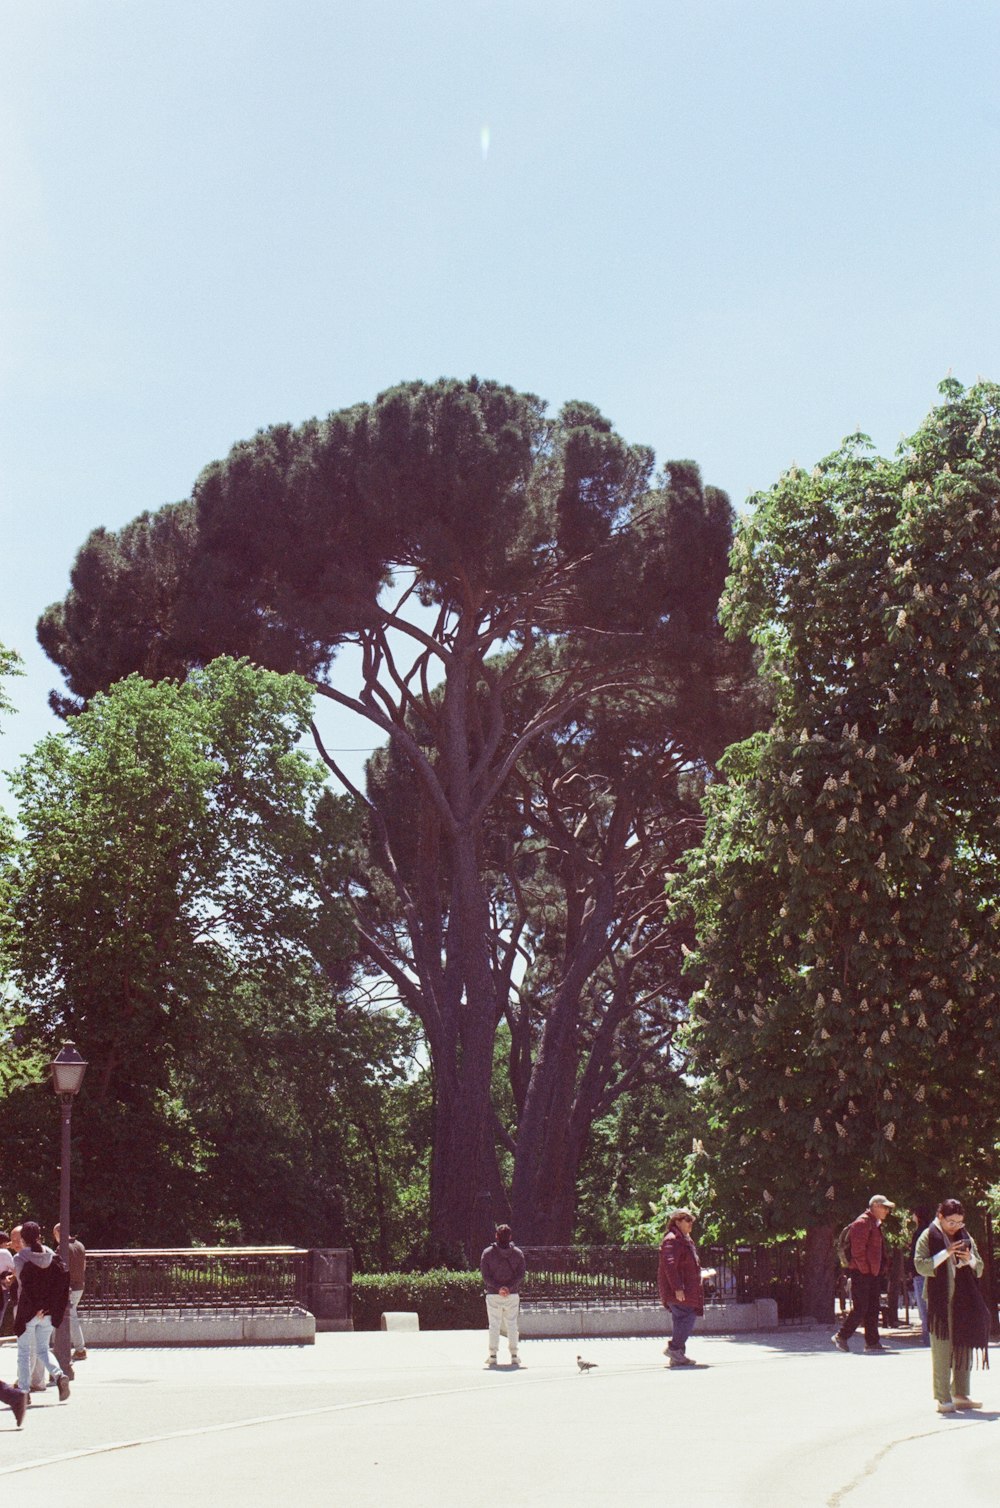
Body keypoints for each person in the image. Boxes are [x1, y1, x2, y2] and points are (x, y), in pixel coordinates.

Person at [914, 1198, 990, 1415]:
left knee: (964, 1343)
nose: (955, 1227)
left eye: (959, 1222)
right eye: (951, 1222)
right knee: (942, 1346)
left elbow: (980, 1266)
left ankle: (961, 1393)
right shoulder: (929, 1235)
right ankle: (943, 1397)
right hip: (940, 1300)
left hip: (964, 1298)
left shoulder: (965, 1236)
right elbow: (920, 1265)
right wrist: (945, 1253)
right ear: (940, 1217)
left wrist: (969, 1259)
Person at [13, 1221, 71, 1404]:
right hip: (47, 1311)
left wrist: (34, 1307)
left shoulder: (20, 1258)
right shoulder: (51, 1256)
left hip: (28, 1310)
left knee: (23, 1352)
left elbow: (25, 1285)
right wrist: (47, 1307)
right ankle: (59, 1375)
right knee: (43, 1349)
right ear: (39, 1236)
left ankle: (23, 1391)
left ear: (23, 1239)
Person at [832, 1194, 894, 1354]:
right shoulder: (862, 1223)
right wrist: (866, 1270)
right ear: (876, 1206)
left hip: (871, 1273)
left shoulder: (874, 1223)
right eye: (885, 1207)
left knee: (873, 1307)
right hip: (862, 1273)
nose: (887, 1211)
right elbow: (857, 1251)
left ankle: (872, 1342)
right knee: (861, 1307)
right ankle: (841, 1336)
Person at [658, 1207, 709, 1368]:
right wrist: (677, 1288)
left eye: (691, 1221)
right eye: (687, 1220)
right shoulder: (672, 1239)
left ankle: (678, 1356)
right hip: (680, 1290)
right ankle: (674, 1349)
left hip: (685, 1288)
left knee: (681, 1320)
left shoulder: (684, 1239)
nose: (690, 1224)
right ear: (677, 1221)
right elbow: (670, 1266)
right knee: (688, 1316)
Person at [480, 1223, 525, 1368]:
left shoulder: (487, 1253)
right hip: (512, 1294)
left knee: (494, 1325)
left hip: (493, 1294)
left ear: (496, 1236)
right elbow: (520, 1275)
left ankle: (493, 1356)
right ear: (510, 1237)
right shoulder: (518, 1253)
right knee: (512, 1324)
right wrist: (508, 1287)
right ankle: (514, 1355)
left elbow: (485, 1275)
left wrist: (499, 1288)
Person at [53, 1224, 87, 1360]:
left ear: (58, 1233)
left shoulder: (62, 1248)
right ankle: (64, 1346)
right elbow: (83, 1266)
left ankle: (80, 1349)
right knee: (69, 1316)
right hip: (80, 1286)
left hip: (69, 1288)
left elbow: (57, 1269)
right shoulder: (80, 1245)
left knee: (71, 1317)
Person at [909, 1205, 933, 1347]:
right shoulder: (930, 1231)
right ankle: (930, 1340)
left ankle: (928, 1340)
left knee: (924, 1310)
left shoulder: (920, 1233)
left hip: (920, 1274)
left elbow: (915, 1256)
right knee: (927, 1309)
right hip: (926, 1273)